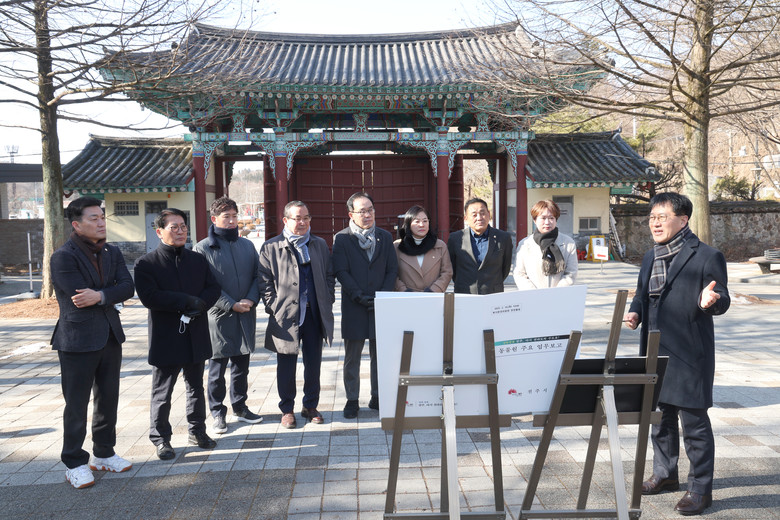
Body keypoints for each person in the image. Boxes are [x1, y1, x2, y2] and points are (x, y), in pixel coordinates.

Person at [623, 193, 730, 516]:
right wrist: (635, 311)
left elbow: (721, 296)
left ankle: (700, 489)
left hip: (689, 353)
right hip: (654, 350)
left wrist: (711, 301)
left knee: (694, 425)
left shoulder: (707, 255)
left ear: (683, 220)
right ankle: (665, 474)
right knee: (659, 419)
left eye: (662, 217)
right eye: (652, 218)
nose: (655, 223)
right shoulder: (650, 256)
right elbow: (642, 293)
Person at [50, 197, 135, 489]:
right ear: (76, 224)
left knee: (108, 398)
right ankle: (74, 462)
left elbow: (128, 286)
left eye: (102, 217)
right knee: (76, 404)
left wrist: (100, 295)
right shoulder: (63, 256)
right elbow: (78, 295)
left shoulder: (112, 251)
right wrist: (109, 293)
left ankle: (104, 453)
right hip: (77, 339)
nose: (101, 223)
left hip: (110, 334)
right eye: (94, 218)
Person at [134, 208, 221, 460]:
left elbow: (213, 287)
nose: (181, 231)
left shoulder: (197, 260)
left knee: (196, 387)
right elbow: (149, 297)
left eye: (183, 226)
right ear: (159, 231)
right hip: (166, 336)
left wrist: (200, 305)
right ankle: (161, 438)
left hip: (195, 331)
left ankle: (197, 430)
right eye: (174, 227)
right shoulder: (146, 263)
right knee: (162, 391)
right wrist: (186, 301)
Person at [259, 201, 335, 428]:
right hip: (285, 316)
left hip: (314, 313)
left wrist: (327, 299)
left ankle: (310, 405)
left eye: (306, 218)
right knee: (286, 365)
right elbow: (264, 282)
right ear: (285, 220)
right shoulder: (271, 247)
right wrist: (275, 306)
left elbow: (329, 275)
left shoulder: (319, 244)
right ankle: (287, 409)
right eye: (297, 218)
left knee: (314, 363)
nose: (302, 222)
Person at [193, 197, 263, 434]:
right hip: (218, 316)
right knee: (217, 371)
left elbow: (258, 275)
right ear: (214, 219)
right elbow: (203, 284)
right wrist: (230, 304)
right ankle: (217, 412)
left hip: (246, 313)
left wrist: (251, 299)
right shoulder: (203, 248)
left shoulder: (247, 246)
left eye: (234, 216)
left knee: (242, 366)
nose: (232, 221)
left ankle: (240, 407)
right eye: (226, 217)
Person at [331, 192, 398, 418]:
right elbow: (341, 271)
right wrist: (358, 295)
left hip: (381, 304)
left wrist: (382, 295)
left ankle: (377, 396)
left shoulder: (385, 237)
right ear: (351, 214)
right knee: (353, 357)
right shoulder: (342, 238)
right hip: (354, 304)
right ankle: (352, 399)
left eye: (370, 210)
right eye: (362, 211)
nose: (367, 215)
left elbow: (392, 269)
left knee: (380, 354)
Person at [447, 197, 513, 294]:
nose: (479, 218)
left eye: (483, 213)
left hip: (493, 293)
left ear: (488, 214)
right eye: (474, 215)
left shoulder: (503, 238)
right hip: (464, 293)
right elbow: (453, 268)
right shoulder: (455, 238)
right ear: (466, 218)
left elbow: (505, 268)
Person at [513, 200, 578, 289]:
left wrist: (556, 293)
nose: (547, 222)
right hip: (532, 295)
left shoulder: (568, 243)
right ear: (535, 220)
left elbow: (571, 273)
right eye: (543, 218)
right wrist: (534, 293)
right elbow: (519, 273)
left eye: (551, 218)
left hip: (559, 294)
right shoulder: (524, 244)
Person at [393, 205, 453, 292]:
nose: (421, 225)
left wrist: (434, 290)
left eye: (425, 221)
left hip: (433, 296)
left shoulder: (440, 246)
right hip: (406, 296)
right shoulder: (397, 246)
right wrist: (403, 290)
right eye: (417, 221)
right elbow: (392, 273)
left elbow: (447, 272)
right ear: (408, 224)